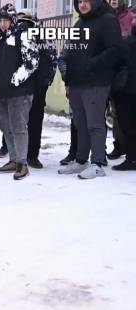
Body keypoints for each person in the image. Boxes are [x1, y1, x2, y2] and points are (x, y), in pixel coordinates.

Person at [59, 0, 121, 179]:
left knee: (94, 124)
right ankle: (81, 161)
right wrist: (68, 78)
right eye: (80, 2)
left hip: (96, 82)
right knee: (81, 125)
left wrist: (91, 64)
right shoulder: (79, 23)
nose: (83, 5)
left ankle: (98, 163)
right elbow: (70, 52)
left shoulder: (107, 20)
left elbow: (114, 50)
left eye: (87, 1)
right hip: (77, 83)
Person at [0, 4, 39, 180]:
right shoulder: (2, 39)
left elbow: (32, 62)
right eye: (0, 20)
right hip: (3, 92)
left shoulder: (23, 36)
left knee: (18, 127)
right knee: (5, 126)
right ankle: (13, 159)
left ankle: (22, 163)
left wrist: (14, 80)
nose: (3, 24)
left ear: (12, 21)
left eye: (6, 20)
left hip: (20, 92)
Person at [16, 9, 58, 169]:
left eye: (26, 20)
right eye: (20, 20)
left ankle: (32, 155)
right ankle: (15, 153)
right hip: (19, 87)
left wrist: (46, 81)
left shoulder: (42, 35)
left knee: (34, 122)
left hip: (37, 88)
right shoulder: (13, 36)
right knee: (17, 121)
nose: (23, 24)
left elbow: (52, 57)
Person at [109, 13, 136, 170]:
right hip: (127, 89)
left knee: (128, 126)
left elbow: (115, 63)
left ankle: (132, 159)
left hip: (126, 91)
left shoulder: (125, 44)